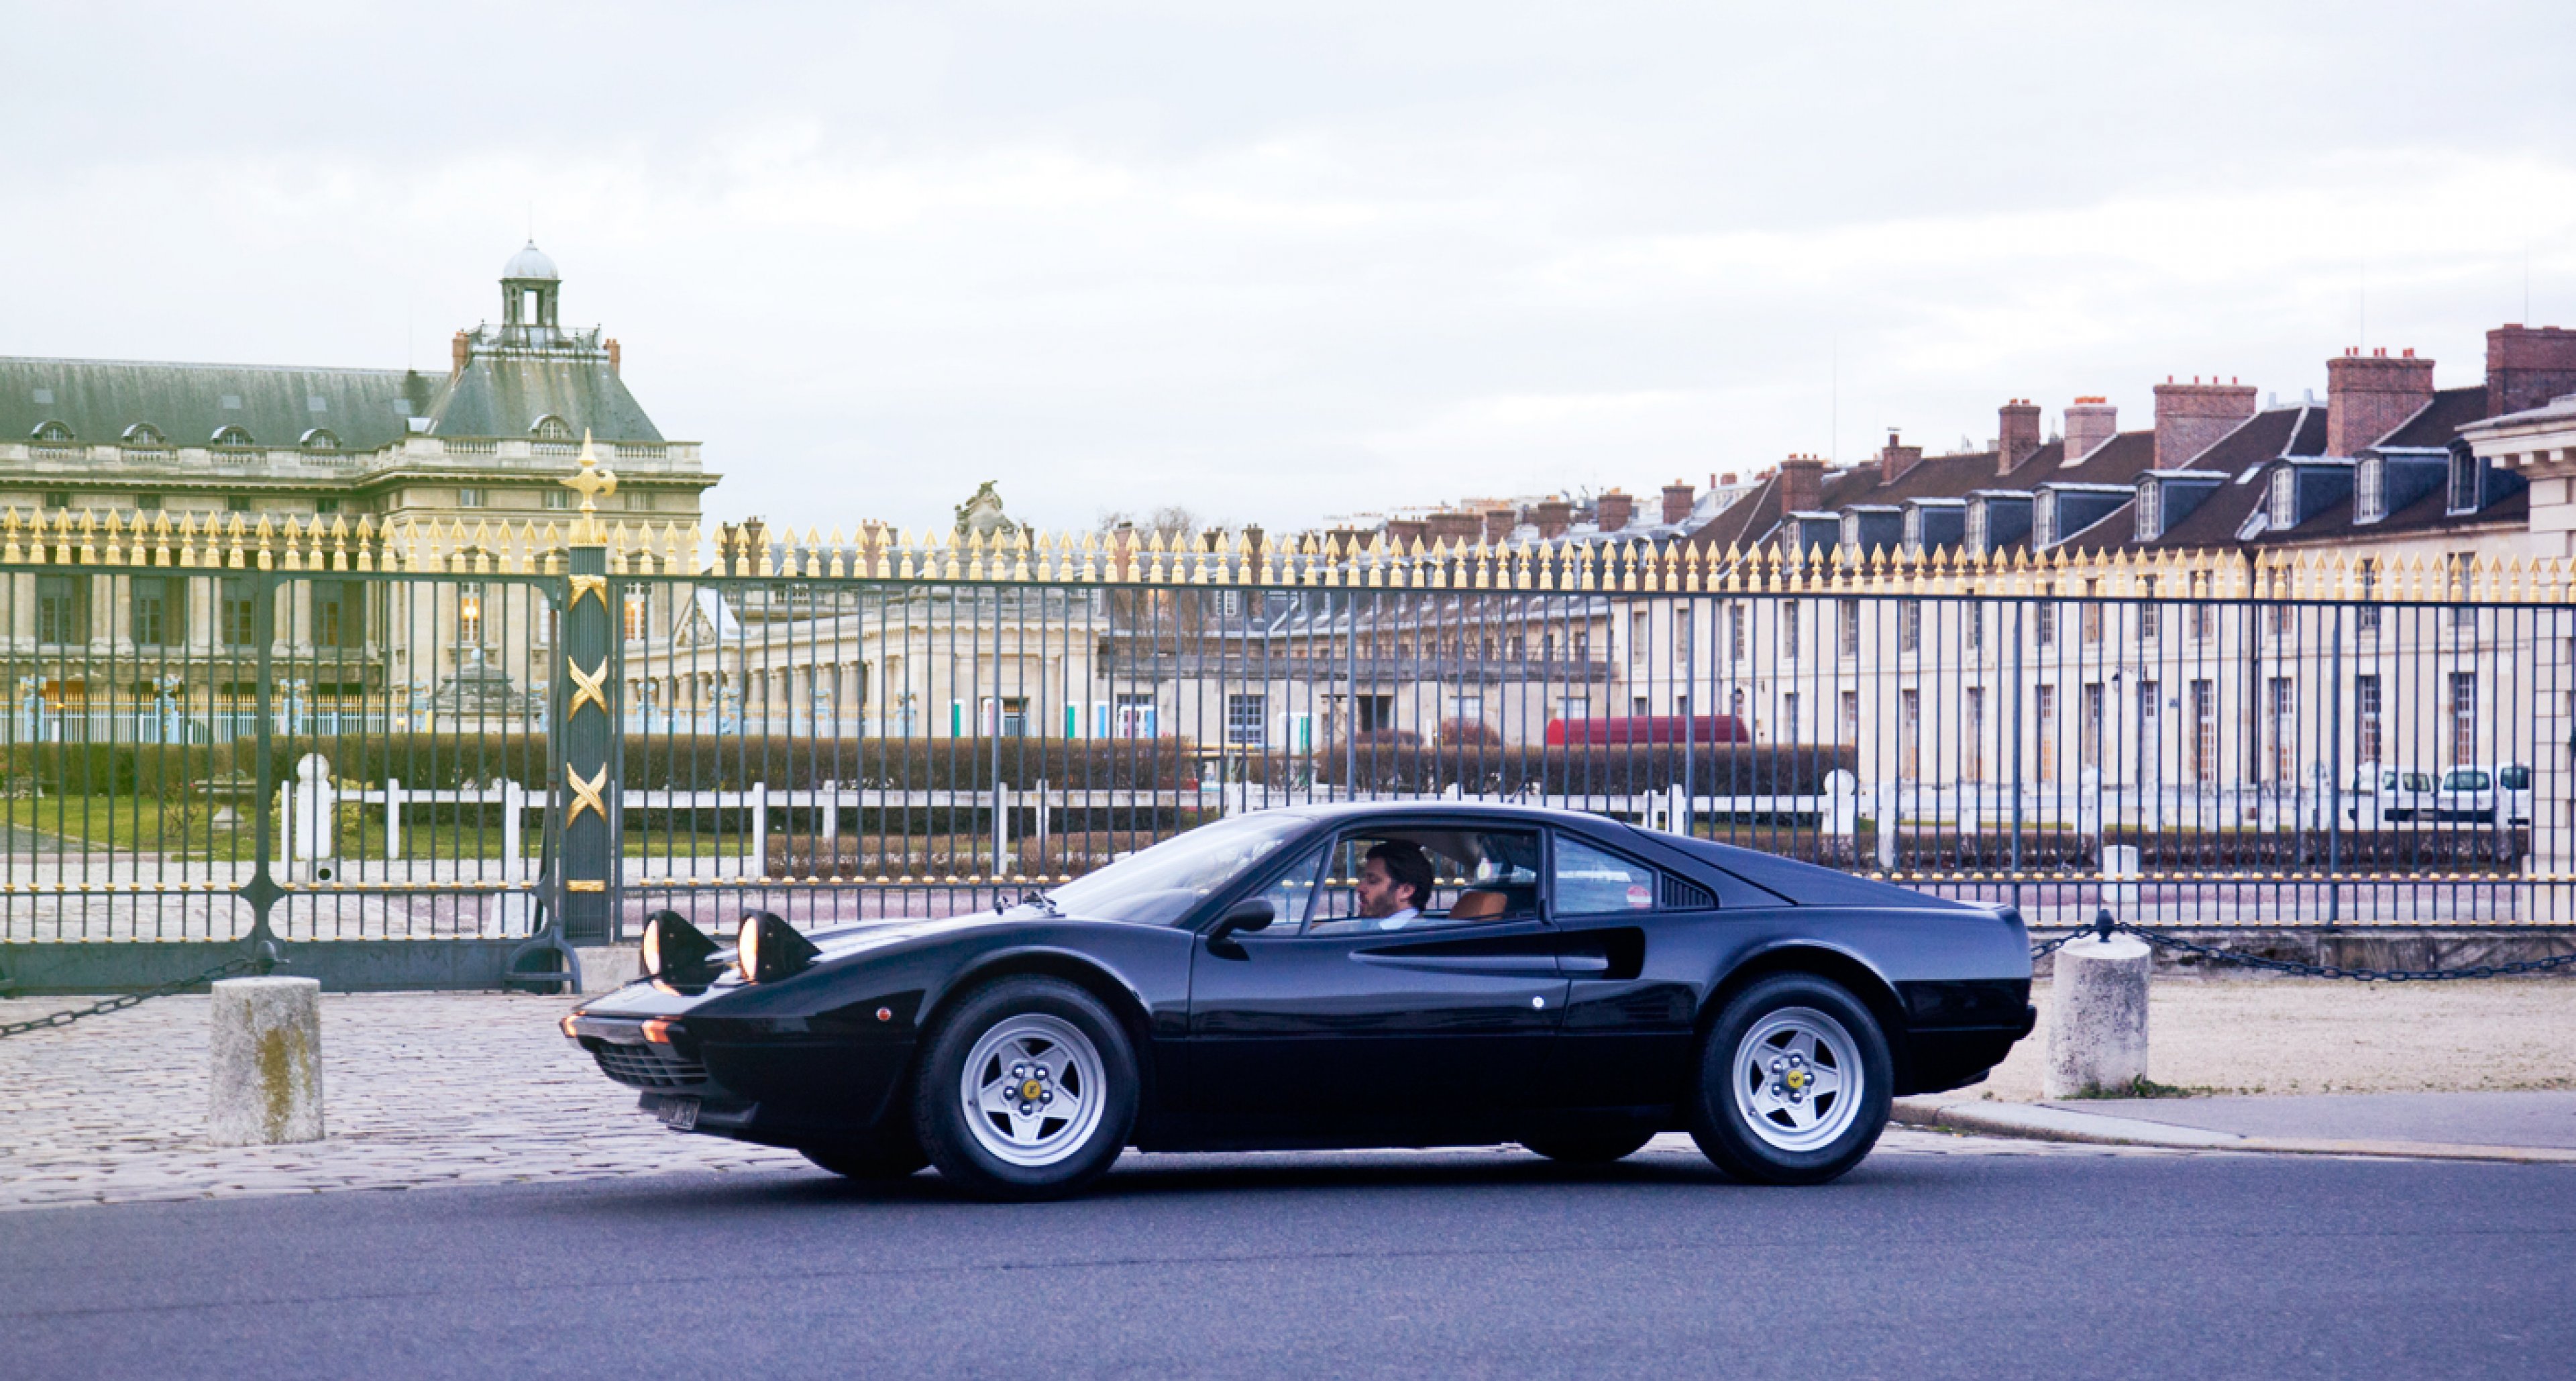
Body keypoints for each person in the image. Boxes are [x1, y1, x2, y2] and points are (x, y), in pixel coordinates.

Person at [1354, 839, 1436, 930]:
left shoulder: (1413, 938)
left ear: (1406, 890)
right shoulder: (1383, 930)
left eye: (1373, 881)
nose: (1360, 888)